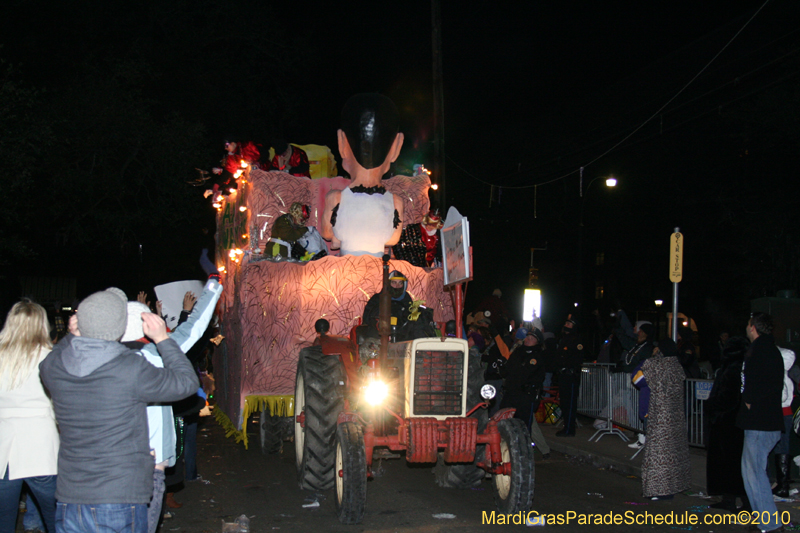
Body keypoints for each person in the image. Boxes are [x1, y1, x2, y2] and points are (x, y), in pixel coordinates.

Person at [39, 290, 200, 533]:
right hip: (118, 496)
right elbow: (186, 383)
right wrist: (163, 338)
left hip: (69, 497)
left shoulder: (55, 367)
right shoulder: (130, 368)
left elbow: (53, 357)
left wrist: (72, 335)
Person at [320, 93, 405, 257]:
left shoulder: (335, 198)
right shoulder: (396, 202)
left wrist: (340, 237)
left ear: (342, 143)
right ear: (396, 148)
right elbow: (393, 240)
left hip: (345, 269)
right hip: (378, 270)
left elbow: (327, 233)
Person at [0, 300, 58, 533]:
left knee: (4, 518)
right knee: (55, 516)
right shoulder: (50, 357)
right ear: (42, 324)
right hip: (40, 445)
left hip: (4, 446)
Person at [737, 312, 785, 533]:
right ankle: (763, 521)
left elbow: (765, 383)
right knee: (753, 474)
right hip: (762, 422)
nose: (746, 328)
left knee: (755, 475)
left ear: (753, 327)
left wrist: (748, 399)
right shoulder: (767, 349)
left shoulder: (762, 350)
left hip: (760, 423)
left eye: (748, 325)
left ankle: (770, 523)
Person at [633, 339, 691, 500]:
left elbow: (637, 380)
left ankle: (658, 490)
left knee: (658, 455)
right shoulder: (676, 365)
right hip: (675, 416)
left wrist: (646, 362)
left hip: (659, 415)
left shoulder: (655, 365)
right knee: (673, 455)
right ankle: (672, 487)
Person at [706, 336, 751, 513]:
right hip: (734, 422)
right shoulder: (742, 366)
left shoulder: (733, 368)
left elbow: (728, 397)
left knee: (731, 464)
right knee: (731, 464)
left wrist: (713, 409)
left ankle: (742, 501)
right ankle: (729, 499)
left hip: (727, 423)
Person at [499, 328, 551, 458]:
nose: (527, 340)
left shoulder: (537, 356)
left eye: (531, 338)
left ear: (537, 342)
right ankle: (504, 450)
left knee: (525, 426)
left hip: (525, 396)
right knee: (504, 421)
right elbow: (509, 369)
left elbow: (528, 374)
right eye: (527, 337)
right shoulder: (518, 351)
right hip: (511, 393)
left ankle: (524, 453)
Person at [362, 270, 435, 341]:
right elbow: (368, 318)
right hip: (381, 335)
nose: (397, 286)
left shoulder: (407, 300)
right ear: (388, 283)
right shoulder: (377, 299)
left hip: (402, 337)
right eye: (394, 283)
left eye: (400, 283)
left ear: (404, 285)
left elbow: (410, 322)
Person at [771, 346, 795, 498]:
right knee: (781, 447)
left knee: (781, 447)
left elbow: (783, 396)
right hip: (783, 411)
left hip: (781, 411)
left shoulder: (779, 370)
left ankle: (783, 485)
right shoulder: (783, 370)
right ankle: (781, 484)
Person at [555, 314, 584, 437]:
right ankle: (566, 426)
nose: (565, 326)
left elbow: (576, 358)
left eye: (568, 324)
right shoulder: (563, 339)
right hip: (563, 375)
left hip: (571, 376)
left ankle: (569, 428)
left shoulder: (577, 340)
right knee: (564, 403)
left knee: (570, 403)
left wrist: (567, 367)